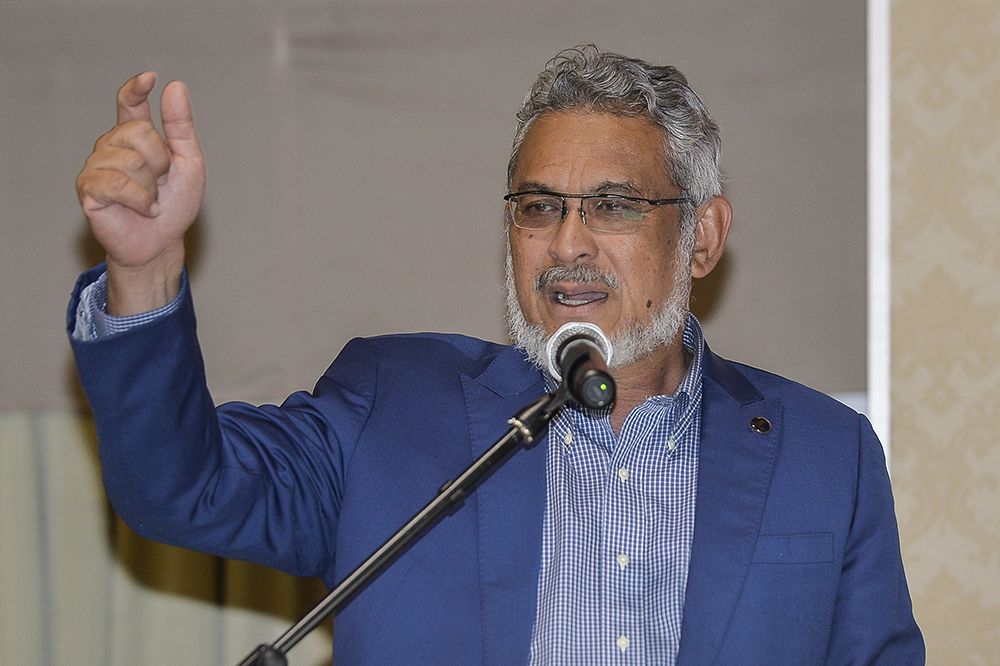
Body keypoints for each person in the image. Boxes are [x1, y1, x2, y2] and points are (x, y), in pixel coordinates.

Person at [68, 46, 924, 664]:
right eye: (538, 207)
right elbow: (183, 489)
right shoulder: (393, 405)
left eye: (614, 207)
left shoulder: (825, 455)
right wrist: (143, 269)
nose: (567, 244)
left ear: (702, 236)